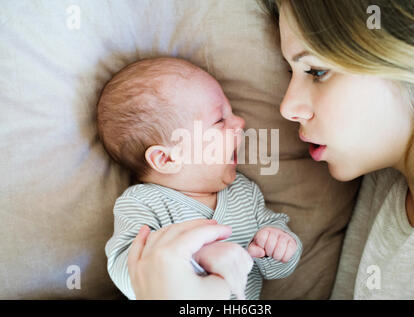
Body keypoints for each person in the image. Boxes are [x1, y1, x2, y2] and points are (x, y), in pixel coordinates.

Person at [128, 0, 414, 299]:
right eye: (291, 73)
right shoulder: (386, 182)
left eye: (316, 72)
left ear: (411, 50)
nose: (287, 108)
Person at [97, 57, 302, 300]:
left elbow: (277, 268)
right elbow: (125, 269)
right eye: (220, 120)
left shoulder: (244, 193)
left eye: (232, 113)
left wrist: (277, 245)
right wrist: (192, 259)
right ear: (167, 159)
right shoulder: (143, 204)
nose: (240, 122)